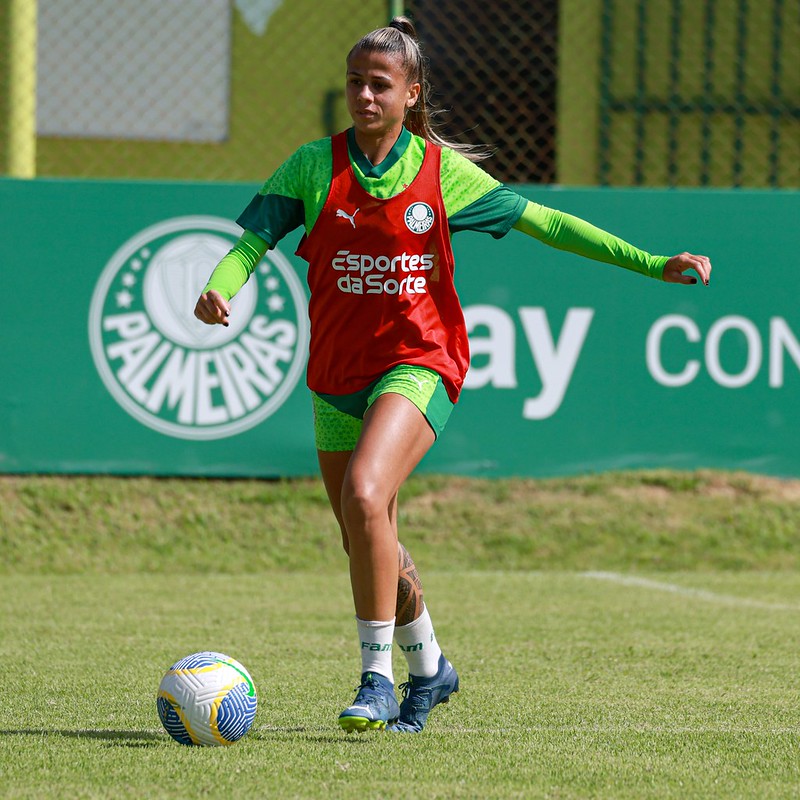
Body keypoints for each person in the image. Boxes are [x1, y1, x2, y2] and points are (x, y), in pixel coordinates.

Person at [194, 16, 712, 734]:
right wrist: (221, 285)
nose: (365, 96)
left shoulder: (443, 174)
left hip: (419, 364)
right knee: (365, 534)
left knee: (367, 493)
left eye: (381, 84)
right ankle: (430, 668)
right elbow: (250, 243)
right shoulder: (314, 166)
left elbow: (550, 224)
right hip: (336, 374)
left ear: (412, 94)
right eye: (355, 82)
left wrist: (654, 263)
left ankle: (375, 681)